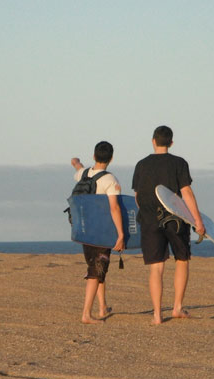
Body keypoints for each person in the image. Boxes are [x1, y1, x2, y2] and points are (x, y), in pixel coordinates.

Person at [132, 125, 205, 325]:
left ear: (153, 141)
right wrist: (197, 220)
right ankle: (177, 308)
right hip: (175, 219)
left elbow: (137, 196)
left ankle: (157, 314)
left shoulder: (141, 164)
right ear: (171, 143)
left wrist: (147, 213)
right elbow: (187, 193)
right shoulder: (179, 163)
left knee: (156, 268)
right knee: (182, 260)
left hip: (149, 219)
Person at [71, 141, 125, 324]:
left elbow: (78, 168)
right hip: (102, 232)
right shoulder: (110, 180)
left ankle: (102, 307)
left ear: (94, 156)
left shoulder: (83, 174)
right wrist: (121, 234)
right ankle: (86, 314)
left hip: (85, 230)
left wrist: (76, 162)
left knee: (97, 268)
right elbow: (115, 208)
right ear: (111, 158)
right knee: (96, 270)